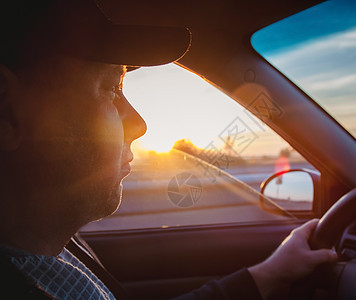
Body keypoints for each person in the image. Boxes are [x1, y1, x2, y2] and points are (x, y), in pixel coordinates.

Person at [0, 1, 337, 299]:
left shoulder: (54, 248)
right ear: (8, 112)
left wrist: (267, 275)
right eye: (109, 89)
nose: (139, 124)